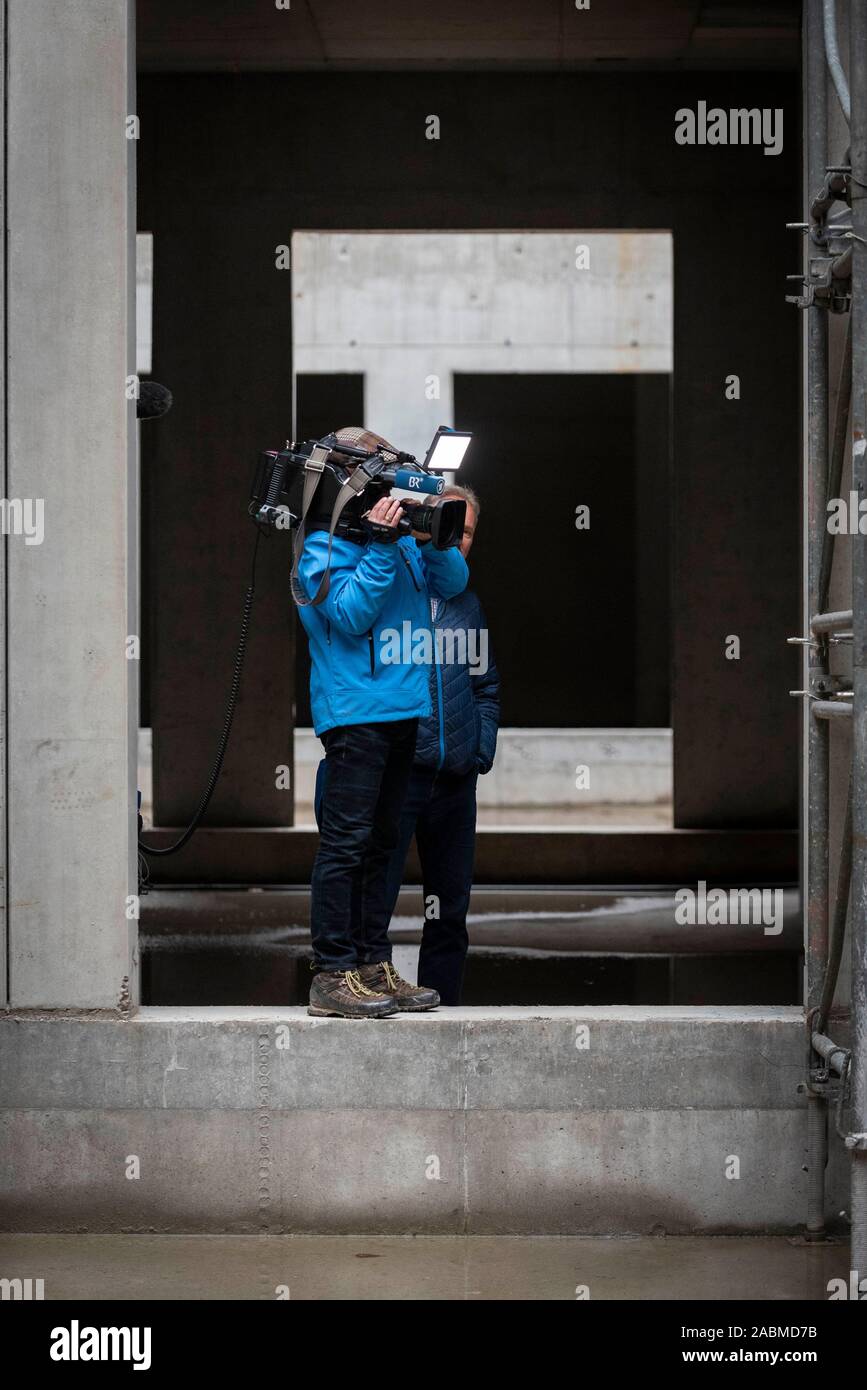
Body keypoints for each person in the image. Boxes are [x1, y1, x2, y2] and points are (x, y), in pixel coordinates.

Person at [296, 428, 468, 1018]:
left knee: (382, 844)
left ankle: (371, 964)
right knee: (345, 844)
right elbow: (347, 615)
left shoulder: (401, 542)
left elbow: (454, 584)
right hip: (355, 716)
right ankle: (331, 972)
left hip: (405, 710)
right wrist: (375, 544)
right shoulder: (319, 546)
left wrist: (433, 533)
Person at [381, 484, 499, 1004]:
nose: (458, 539)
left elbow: (485, 685)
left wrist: (479, 749)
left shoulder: (467, 604)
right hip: (401, 774)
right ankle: (372, 994)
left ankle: (444, 1009)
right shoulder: (392, 589)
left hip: (455, 780)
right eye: (449, 525)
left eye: (467, 531)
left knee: (449, 911)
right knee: (375, 898)